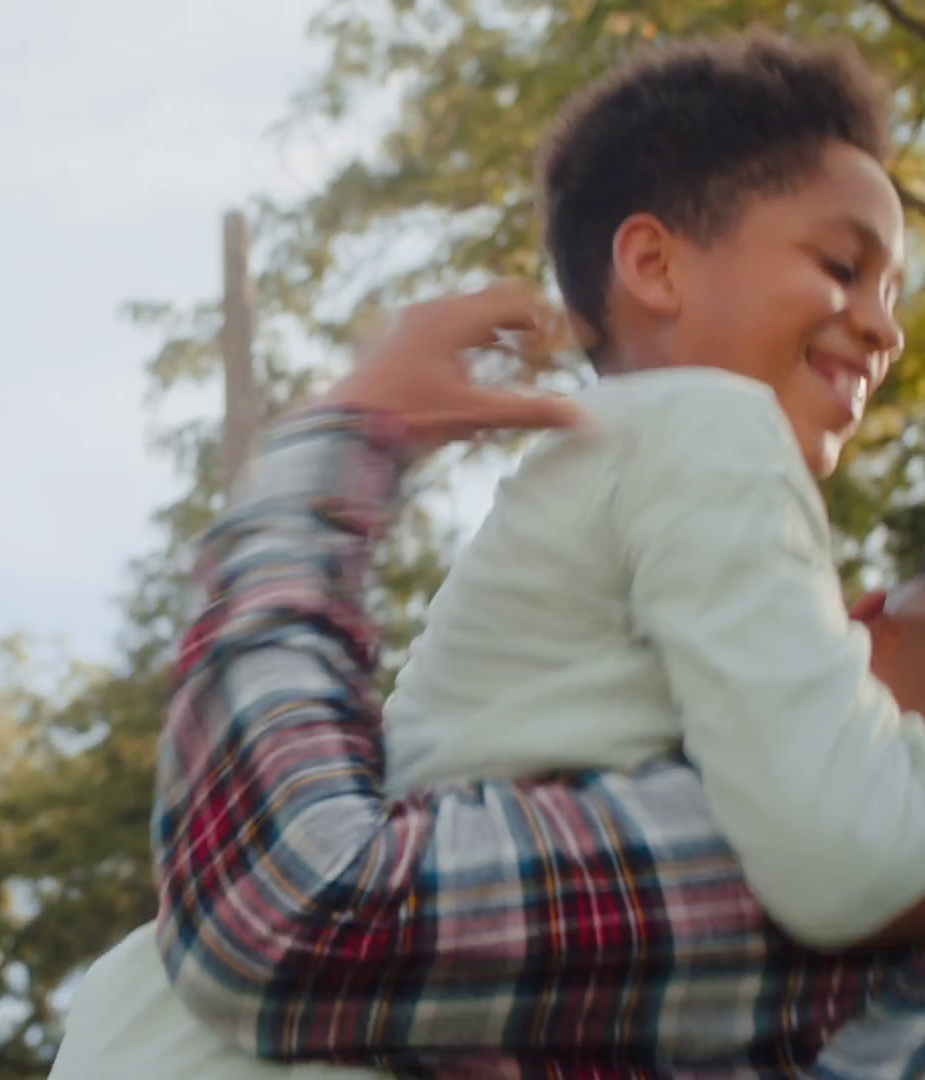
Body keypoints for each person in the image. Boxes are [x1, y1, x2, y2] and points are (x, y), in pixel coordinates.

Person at [52, 32, 925, 1079]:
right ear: (653, 265)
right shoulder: (715, 429)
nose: (885, 330)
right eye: (842, 268)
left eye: (893, 291)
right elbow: (844, 854)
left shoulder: (602, 470)